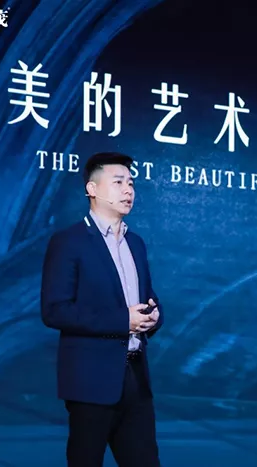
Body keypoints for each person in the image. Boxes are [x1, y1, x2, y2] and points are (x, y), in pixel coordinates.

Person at [41, 152, 163, 467]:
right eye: (118, 182)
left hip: (136, 379)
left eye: (131, 183)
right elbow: (55, 310)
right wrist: (124, 320)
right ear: (92, 189)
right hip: (90, 381)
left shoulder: (136, 243)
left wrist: (153, 316)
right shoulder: (69, 242)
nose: (128, 190)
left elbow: (146, 297)